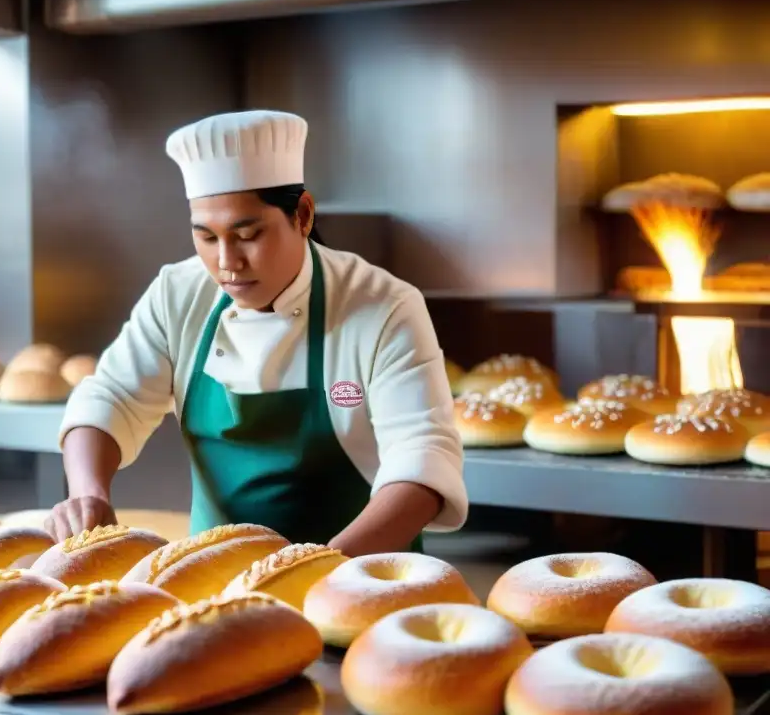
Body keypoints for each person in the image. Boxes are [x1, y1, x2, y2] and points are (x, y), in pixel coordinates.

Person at [47, 110, 466, 555]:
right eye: (207, 238)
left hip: (359, 579)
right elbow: (110, 397)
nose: (227, 262)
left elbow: (422, 458)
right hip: (216, 581)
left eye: (247, 234)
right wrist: (87, 494)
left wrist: (321, 569)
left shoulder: (383, 307)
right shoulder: (178, 293)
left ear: (302, 215)